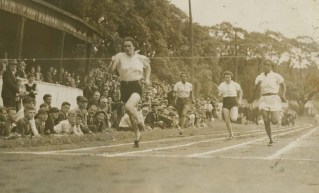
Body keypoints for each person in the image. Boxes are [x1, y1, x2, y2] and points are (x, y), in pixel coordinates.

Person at [108, 37, 151, 148]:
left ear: (133, 47)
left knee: (128, 107)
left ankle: (141, 123)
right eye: (125, 46)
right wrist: (112, 62)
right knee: (130, 113)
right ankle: (137, 134)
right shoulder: (119, 56)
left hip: (136, 85)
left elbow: (148, 67)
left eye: (129, 46)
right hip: (124, 86)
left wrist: (147, 79)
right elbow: (110, 71)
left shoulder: (140, 58)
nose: (127, 48)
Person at [252, 61, 286, 146]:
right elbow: (254, 89)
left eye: (268, 65)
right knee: (266, 120)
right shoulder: (260, 76)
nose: (266, 66)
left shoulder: (276, 76)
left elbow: (284, 85)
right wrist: (257, 84)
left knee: (274, 121)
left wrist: (283, 95)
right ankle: (271, 139)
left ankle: (278, 115)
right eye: (265, 65)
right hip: (264, 99)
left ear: (272, 67)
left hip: (274, 98)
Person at [218, 71, 243, 140]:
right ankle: (231, 134)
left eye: (228, 77)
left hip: (233, 101)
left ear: (231, 77)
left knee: (234, 119)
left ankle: (239, 115)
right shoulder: (222, 85)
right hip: (225, 102)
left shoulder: (235, 84)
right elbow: (219, 93)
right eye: (226, 77)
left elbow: (240, 91)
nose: (227, 79)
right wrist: (219, 95)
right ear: (224, 78)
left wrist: (240, 99)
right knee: (227, 120)